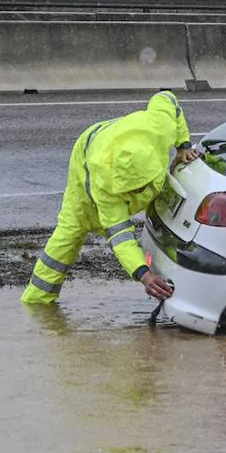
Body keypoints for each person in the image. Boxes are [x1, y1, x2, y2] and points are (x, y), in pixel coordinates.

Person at [21, 89, 199, 305]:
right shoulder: (104, 187)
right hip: (86, 163)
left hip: (117, 141)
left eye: (139, 189)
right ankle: (35, 302)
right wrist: (144, 275)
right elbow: (120, 235)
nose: (134, 196)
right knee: (68, 235)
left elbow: (166, 97)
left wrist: (183, 146)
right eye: (128, 192)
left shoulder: (159, 127)